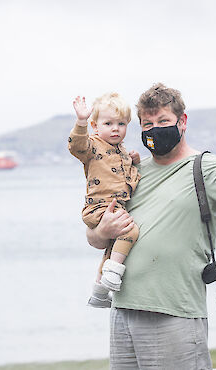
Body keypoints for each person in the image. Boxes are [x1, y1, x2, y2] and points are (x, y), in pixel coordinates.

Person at [86, 83, 216, 369]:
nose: (155, 129)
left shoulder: (205, 167)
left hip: (174, 314)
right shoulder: (133, 172)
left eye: (163, 121)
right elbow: (95, 237)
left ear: (182, 122)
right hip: (122, 311)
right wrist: (101, 231)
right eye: (148, 123)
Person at [69, 92, 141, 308]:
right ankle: (113, 276)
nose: (115, 128)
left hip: (110, 207)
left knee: (113, 249)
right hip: (100, 208)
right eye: (108, 123)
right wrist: (81, 121)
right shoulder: (92, 145)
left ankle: (100, 291)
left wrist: (133, 162)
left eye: (121, 123)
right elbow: (77, 146)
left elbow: (128, 179)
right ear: (95, 126)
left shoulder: (122, 151)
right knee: (130, 231)